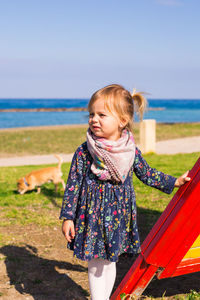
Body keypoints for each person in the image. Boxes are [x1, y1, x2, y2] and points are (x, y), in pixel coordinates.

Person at [60, 84, 190, 300]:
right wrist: (67, 217)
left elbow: (147, 173)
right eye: (91, 114)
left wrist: (174, 181)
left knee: (111, 261)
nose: (94, 119)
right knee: (95, 263)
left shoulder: (130, 150)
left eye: (102, 114)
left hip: (117, 218)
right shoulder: (85, 151)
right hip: (92, 217)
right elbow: (73, 185)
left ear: (122, 121)